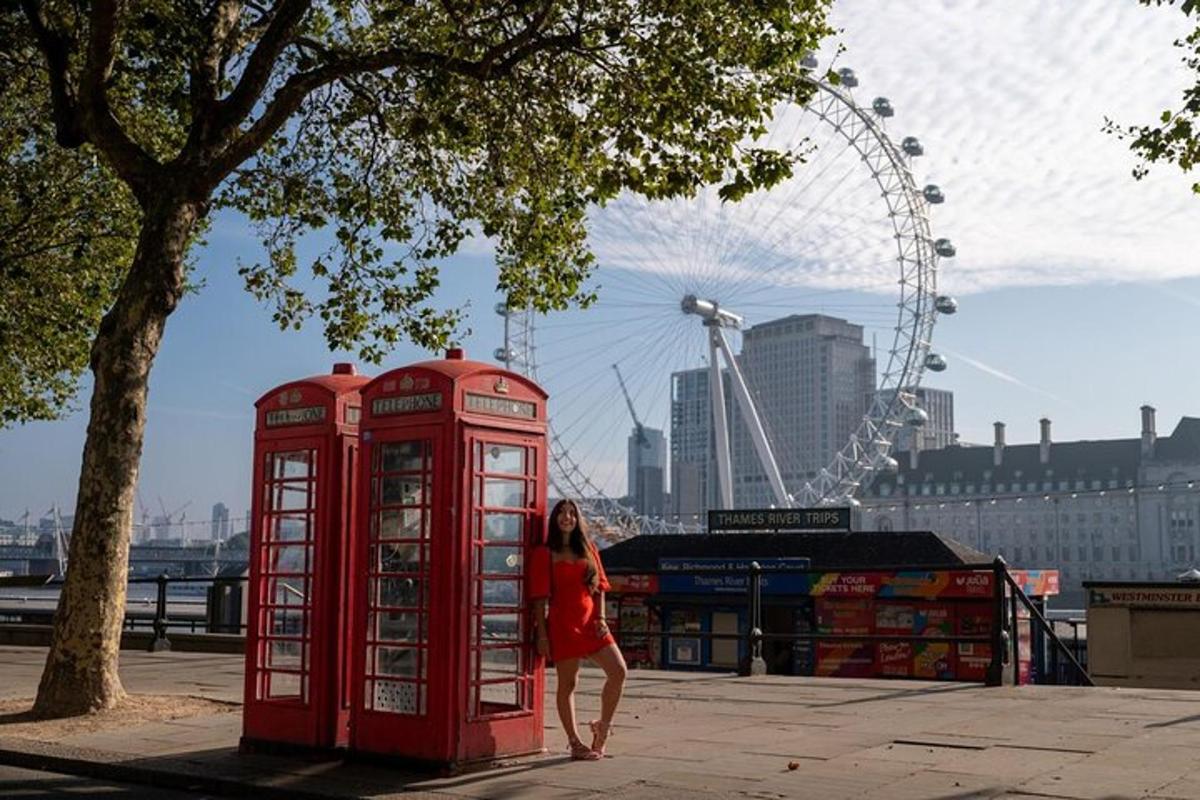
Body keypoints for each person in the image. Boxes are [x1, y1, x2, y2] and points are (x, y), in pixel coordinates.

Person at [529, 499, 628, 760]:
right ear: (554, 519)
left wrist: (602, 618)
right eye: (561, 513)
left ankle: (602, 727)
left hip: (591, 623)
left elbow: (600, 588)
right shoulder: (544, 553)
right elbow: (539, 598)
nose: (567, 517)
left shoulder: (589, 548)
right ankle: (574, 742)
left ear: (577, 519)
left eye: (572, 513)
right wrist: (542, 634)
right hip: (562, 624)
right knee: (568, 684)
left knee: (618, 672)